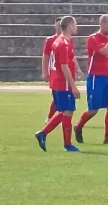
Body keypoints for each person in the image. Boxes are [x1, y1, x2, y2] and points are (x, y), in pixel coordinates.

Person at [35, 16, 82, 152]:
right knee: (67, 111)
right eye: (75, 24)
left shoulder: (61, 41)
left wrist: (77, 69)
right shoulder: (63, 44)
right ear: (69, 26)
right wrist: (74, 87)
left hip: (57, 82)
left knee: (65, 111)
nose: (76, 27)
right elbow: (64, 66)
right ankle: (49, 136)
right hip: (63, 83)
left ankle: (51, 137)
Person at [73, 15, 108, 145]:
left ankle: (107, 137)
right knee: (93, 109)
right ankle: (78, 126)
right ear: (102, 23)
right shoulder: (93, 38)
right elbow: (104, 52)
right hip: (96, 78)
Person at [42, 17, 62, 123]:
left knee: (60, 96)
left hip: (65, 72)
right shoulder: (50, 40)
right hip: (55, 73)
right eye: (58, 25)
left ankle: (54, 117)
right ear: (54, 26)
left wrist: (76, 68)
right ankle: (51, 117)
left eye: (61, 25)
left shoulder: (67, 39)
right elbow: (45, 56)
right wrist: (45, 71)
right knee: (57, 96)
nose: (59, 27)